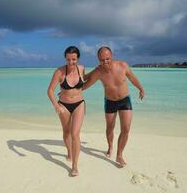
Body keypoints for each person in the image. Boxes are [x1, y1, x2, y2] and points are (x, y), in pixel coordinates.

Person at [83, 46, 144, 167]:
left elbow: (132, 78)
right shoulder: (98, 72)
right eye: (102, 60)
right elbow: (85, 85)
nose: (105, 62)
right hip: (110, 101)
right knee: (110, 127)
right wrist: (68, 92)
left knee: (126, 128)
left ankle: (119, 155)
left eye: (107, 59)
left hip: (124, 100)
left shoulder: (123, 66)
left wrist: (141, 88)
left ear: (112, 56)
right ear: (98, 60)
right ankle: (110, 147)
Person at [47, 46, 85, 176]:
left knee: (75, 133)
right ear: (65, 58)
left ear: (77, 58)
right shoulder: (59, 72)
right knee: (66, 131)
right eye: (68, 59)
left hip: (79, 104)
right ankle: (69, 151)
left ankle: (74, 166)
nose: (71, 62)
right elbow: (50, 90)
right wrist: (56, 106)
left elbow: (87, 81)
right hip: (63, 105)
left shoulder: (82, 69)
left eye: (73, 59)